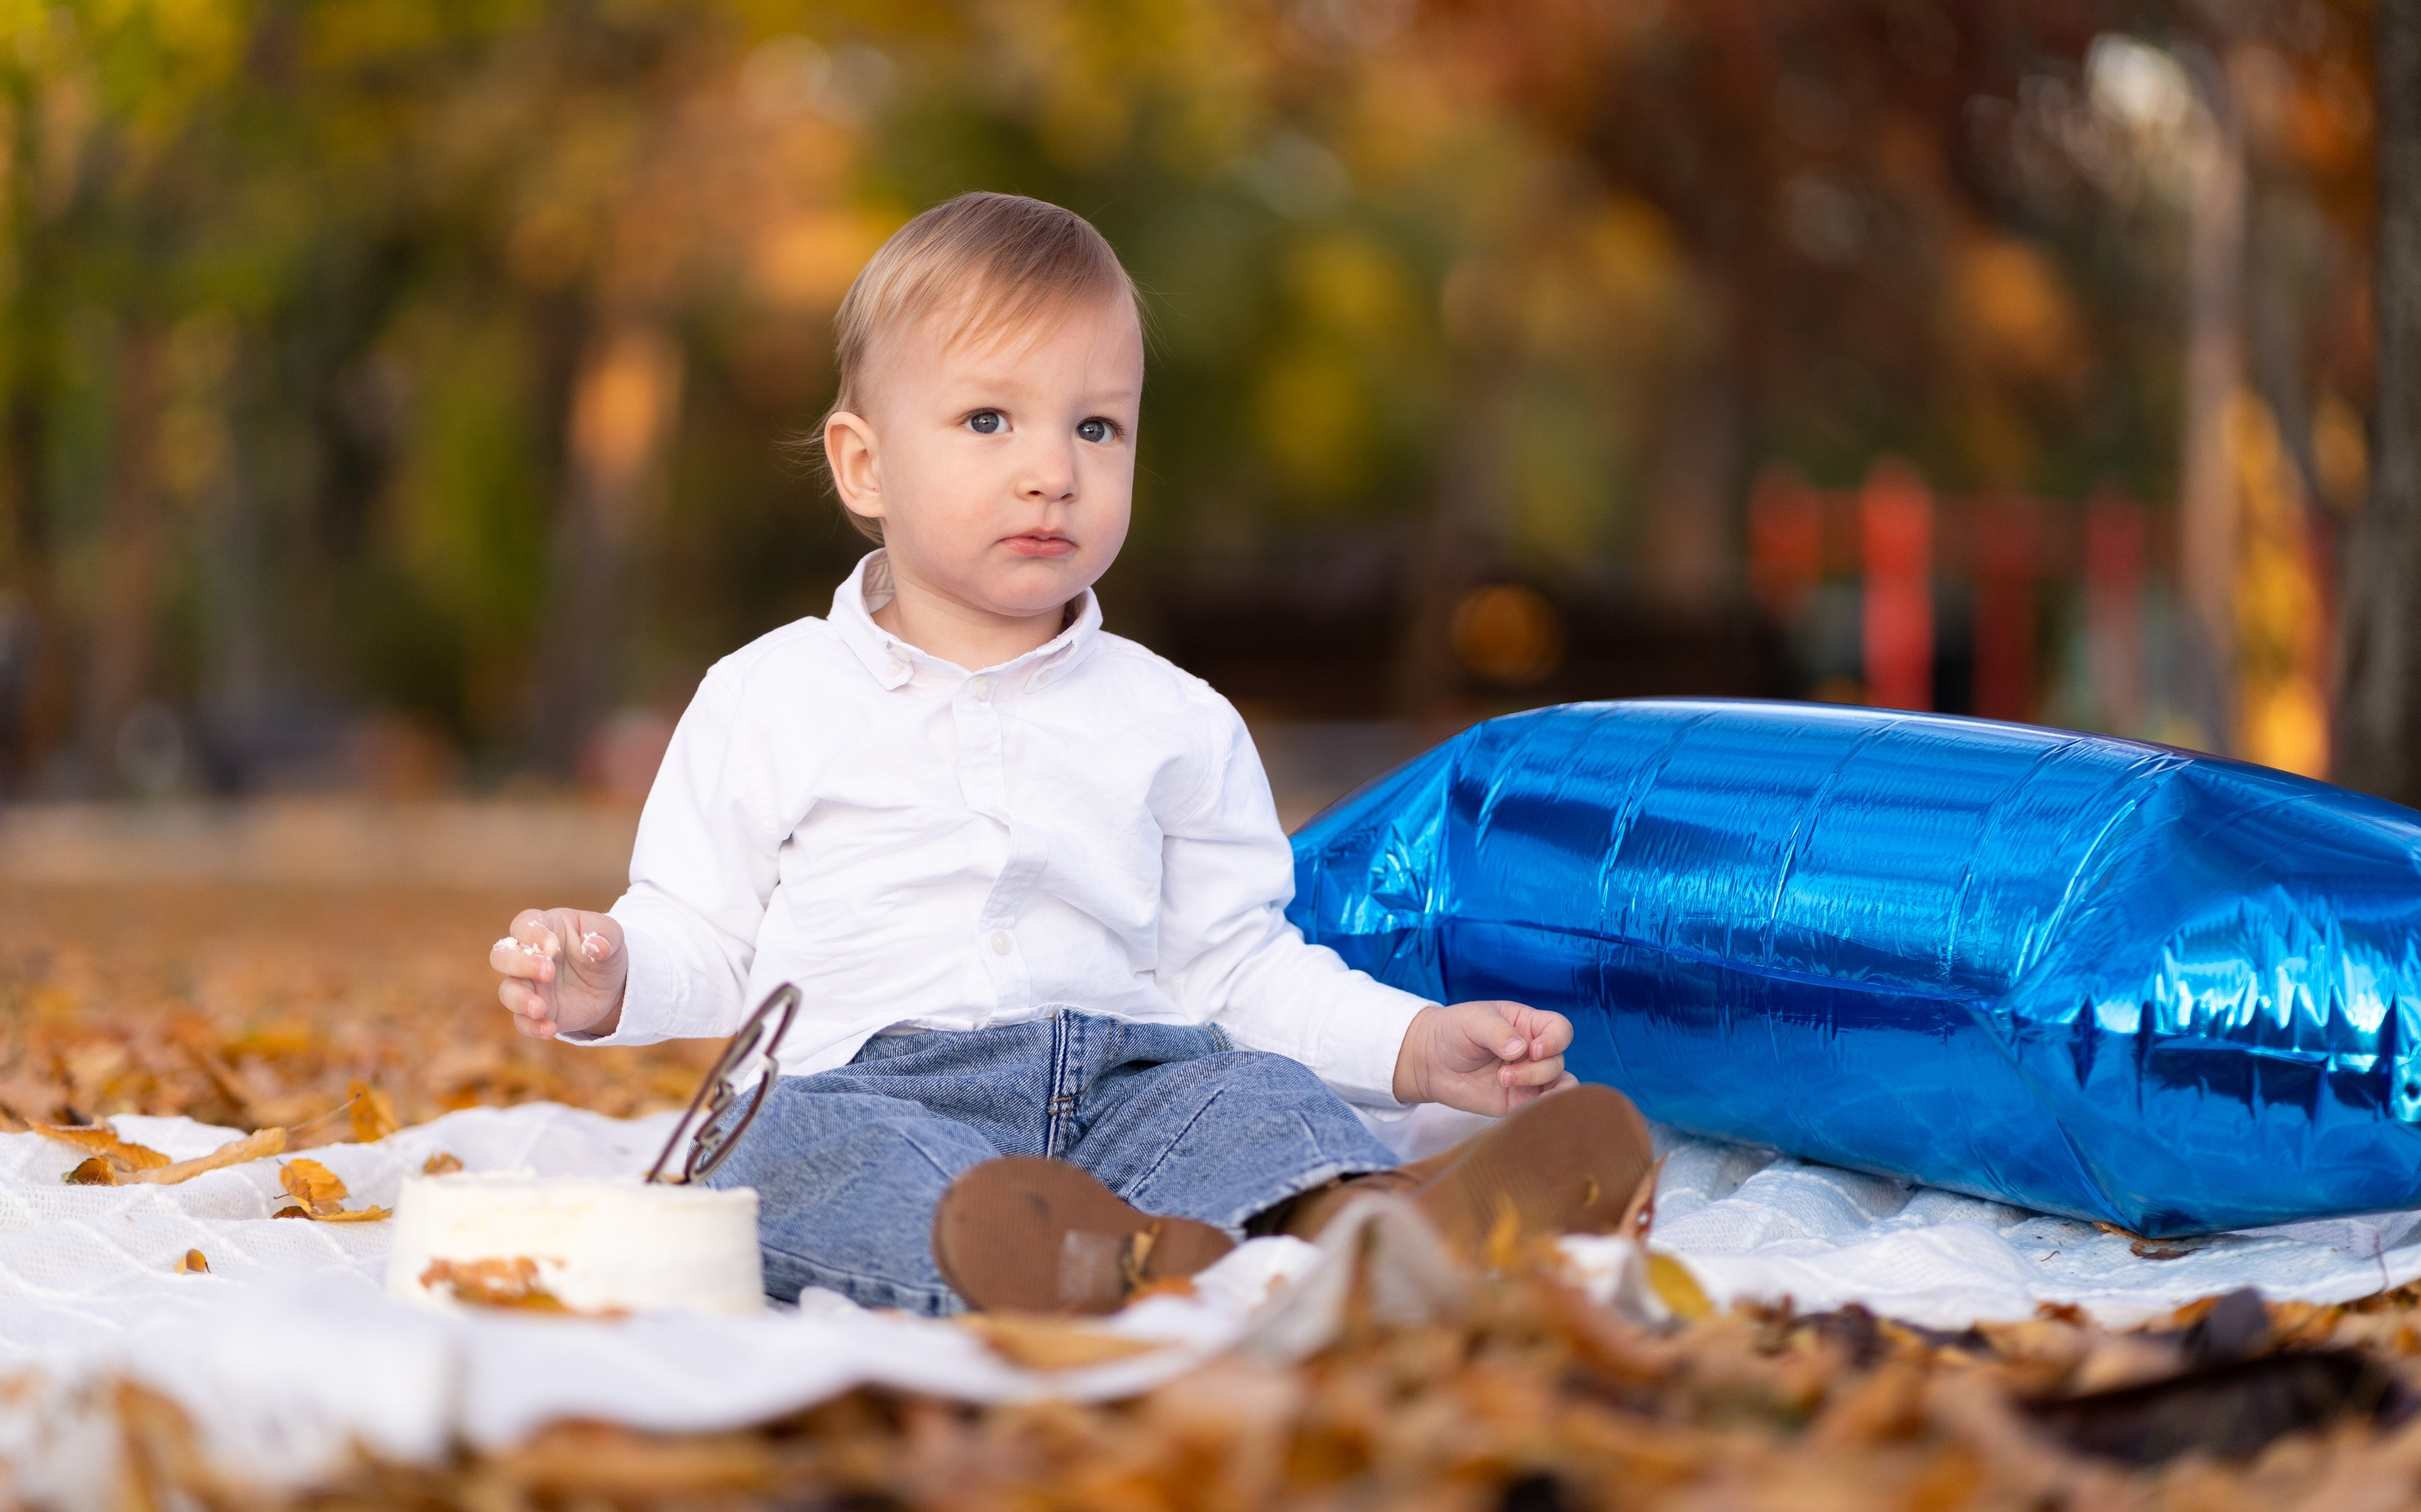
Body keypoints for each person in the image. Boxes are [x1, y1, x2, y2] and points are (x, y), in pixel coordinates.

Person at [490, 193, 1653, 1316]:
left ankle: (1366, 1222)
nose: (1054, 469)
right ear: (864, 465)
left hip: (1121, 1090)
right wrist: (610, 978)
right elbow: (705, 934)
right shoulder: (769, 696)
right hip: (868, 1089)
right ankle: (1068, 1257)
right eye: (988, 421)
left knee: (1250, 1094)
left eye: (1096, 427)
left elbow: (1237, 972)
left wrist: (1414, 1046)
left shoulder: (1176, 720)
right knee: (782, 1145)